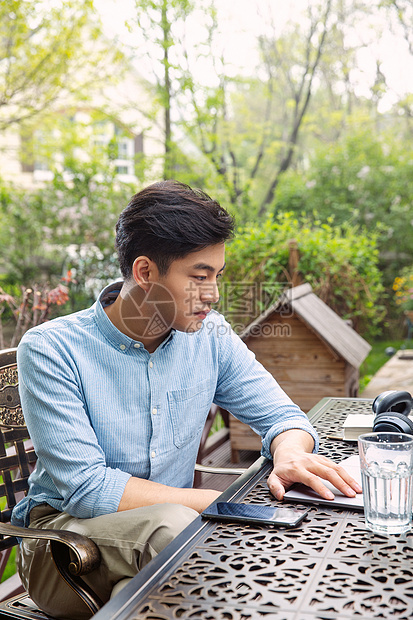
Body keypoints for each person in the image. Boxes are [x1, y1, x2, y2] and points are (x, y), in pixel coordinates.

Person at [12, 180, 361, 619]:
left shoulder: (211, 336)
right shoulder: (52, 348)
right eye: (199, 276)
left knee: (169, 582)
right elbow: (86, 488)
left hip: (168, 539)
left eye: (217, 275)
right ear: (144, 272)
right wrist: (236, 504)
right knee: (180, 535)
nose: (213, 294)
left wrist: (289, 452)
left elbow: (282, 415)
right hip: (65, 548)